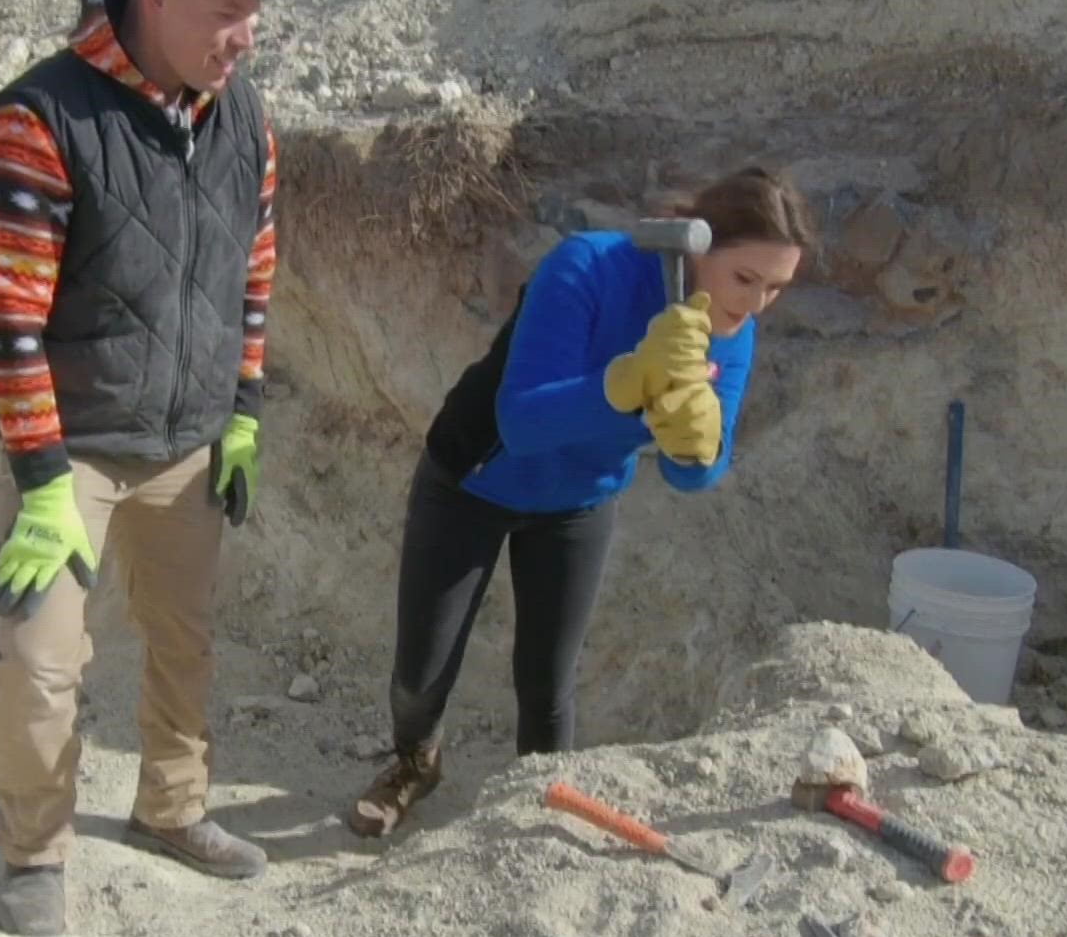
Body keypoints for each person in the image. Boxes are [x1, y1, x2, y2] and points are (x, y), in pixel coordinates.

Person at [0, 0, 305, 937]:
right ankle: (33, 854)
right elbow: (7, 322)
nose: (244, 36)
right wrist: (36, 481)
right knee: (39, 665)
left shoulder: (244, 115)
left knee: (183, 644)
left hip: (190, 439)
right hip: (72, 449)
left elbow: (255, 272)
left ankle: (173, 810)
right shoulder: (37, 121)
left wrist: (241, 410)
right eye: (223, 9)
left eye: (255, 11)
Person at [344, 167, 818, 838]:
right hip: (474, 479)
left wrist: (694, 441)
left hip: (579, 502)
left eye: (776, 288)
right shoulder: (589, 267)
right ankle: (415, 764)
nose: (757, 303)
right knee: (421, 675)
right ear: (697, 247)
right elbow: (523, 421)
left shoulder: (731, 333)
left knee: (548, 683)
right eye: (745, 278)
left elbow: (692, 480)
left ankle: (543, 811)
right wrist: (629, 383)